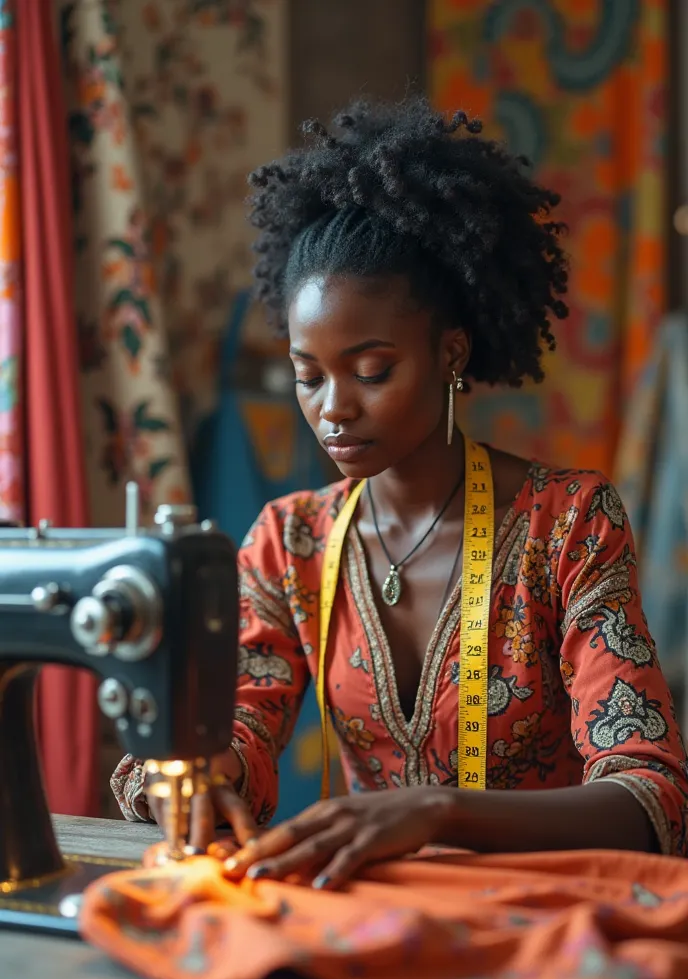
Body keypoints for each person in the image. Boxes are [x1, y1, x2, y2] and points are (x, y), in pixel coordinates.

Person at [111, 96, 688, 889]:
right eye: (307, 378)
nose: (333, 408)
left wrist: (439, 811)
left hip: (548, 911)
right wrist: (203, 771)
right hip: (378, 913)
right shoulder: (292, 543)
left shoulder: (569, 525)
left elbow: (650, 796)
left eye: (372, 371)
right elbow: (241, 727)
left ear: (450, 353)